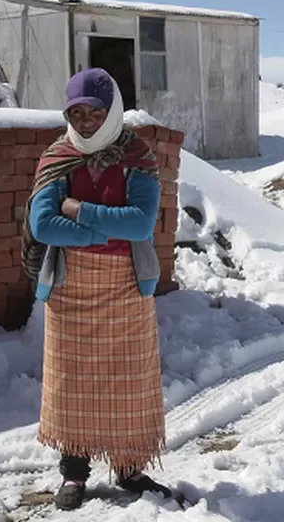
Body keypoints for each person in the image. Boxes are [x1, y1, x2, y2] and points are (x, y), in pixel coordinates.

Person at [20, 67, 176, 510]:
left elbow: (141, 222)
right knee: (73, 382)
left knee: (128, 381)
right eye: (77, 112)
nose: (85, 121)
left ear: (113, 113)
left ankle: (128, 468)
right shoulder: (57, 157)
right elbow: (44, 225)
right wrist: (102, 233)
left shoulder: (137, 155)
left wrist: (77, 208)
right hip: (71, 288)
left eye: (95, 112)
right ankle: (74, 473)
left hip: (126, 286)